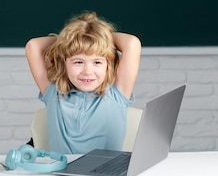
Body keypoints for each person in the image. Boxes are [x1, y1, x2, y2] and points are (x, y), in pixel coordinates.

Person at [25, 11, 141, 154]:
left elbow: (132, 43)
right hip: (62, 174)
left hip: (105, 174)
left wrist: (98, 36)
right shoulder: (53, 93)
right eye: (78, 62)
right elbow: (33, 46)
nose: (87, 71)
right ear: (64, 63)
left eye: (97, 62)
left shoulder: (118, 93)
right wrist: (69, 39)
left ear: (108, 65)